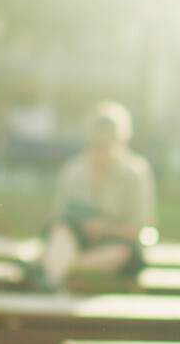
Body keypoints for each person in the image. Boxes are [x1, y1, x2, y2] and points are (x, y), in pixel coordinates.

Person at [37, 100, 155, 289]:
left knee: (122, 253)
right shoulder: (74, 170)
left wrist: (104, 228)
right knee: (61, 234)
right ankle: (57, 272)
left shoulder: (135, 173)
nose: (102, 145)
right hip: (78, 240)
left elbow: (140, 228)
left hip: (115, 245)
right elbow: (56, 217)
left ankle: (58, 269)